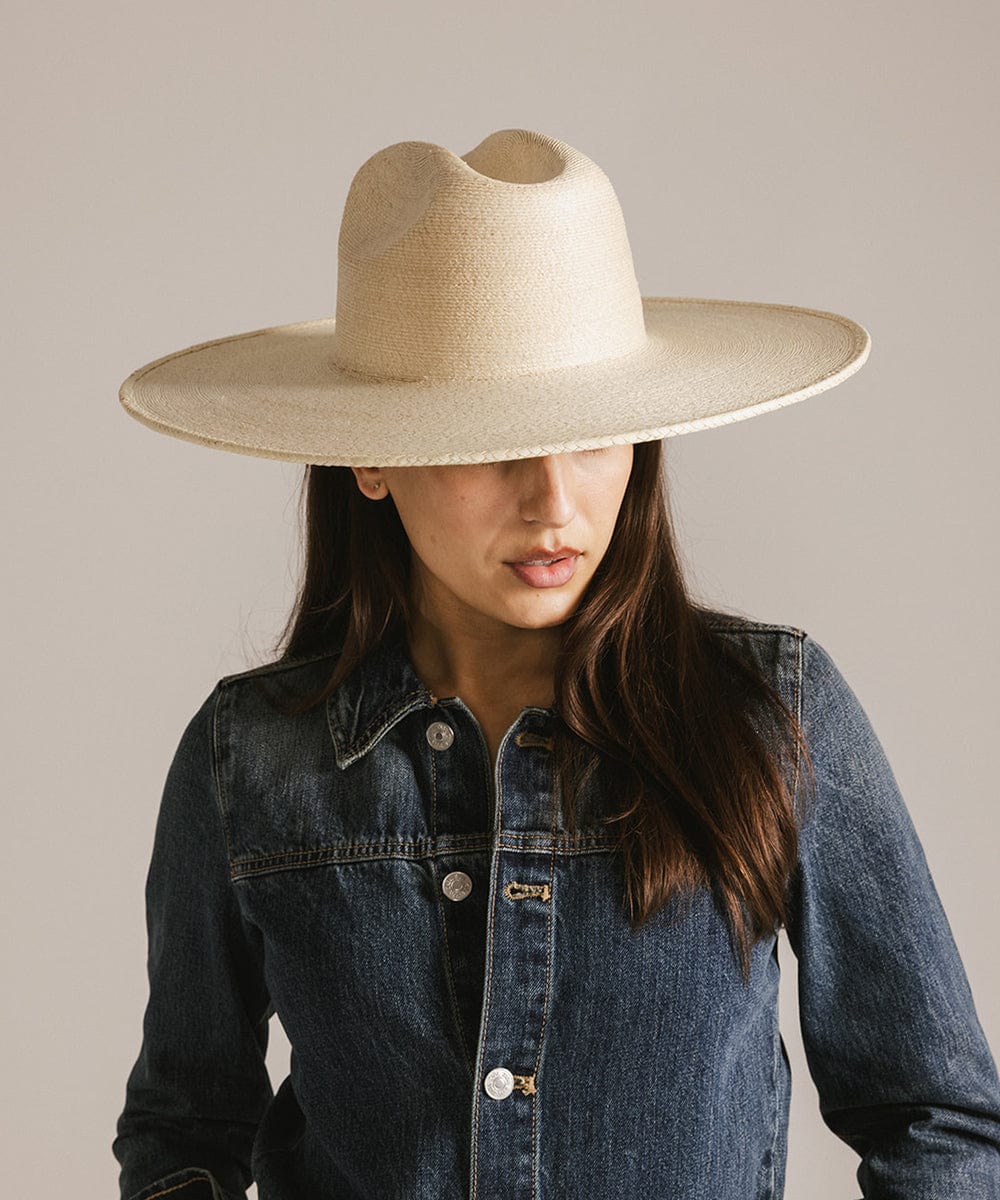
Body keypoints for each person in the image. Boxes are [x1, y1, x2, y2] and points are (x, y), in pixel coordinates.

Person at [112, 129, 1000, 1199]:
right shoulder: (252, 758)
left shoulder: (771, 715)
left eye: (593, 436)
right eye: (494, 445)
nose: (554, 503)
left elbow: (936, 1120)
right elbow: (183, 1127)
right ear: (373, 457)